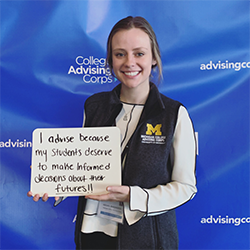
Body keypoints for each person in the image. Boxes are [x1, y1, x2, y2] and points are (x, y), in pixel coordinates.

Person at [28, 16, 197, 250]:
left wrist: (133, 197)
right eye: (120, 54)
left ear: (154, 58)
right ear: (110, 60)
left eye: (139, 53)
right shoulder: (94, 106)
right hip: (93, 236)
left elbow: (185, 187)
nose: (129, 62)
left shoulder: (174, 114)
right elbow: (84, 170)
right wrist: (55, 183)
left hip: (147, 240)